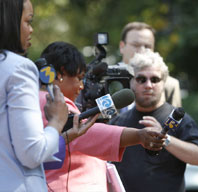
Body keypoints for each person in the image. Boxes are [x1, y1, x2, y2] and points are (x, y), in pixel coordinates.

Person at [39, 41, 166, 192]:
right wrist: (138, 135)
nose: (81, 87)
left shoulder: (38, 99)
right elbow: (83, 133)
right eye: (79, 78)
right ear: (60, 73)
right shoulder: (50, 101)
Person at [0, 0, 69, 191]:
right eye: (28, 21)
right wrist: (56, 122)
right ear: (8, 22)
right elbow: (32, 153)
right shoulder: (18, 68)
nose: (31, 30)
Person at [110, 49, 198, 192]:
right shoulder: (117, 122)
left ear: (163, 82)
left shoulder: (179, 118)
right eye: (141, 79)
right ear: (131, 82)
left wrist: (166, 139)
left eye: (155, 79)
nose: (148, 85)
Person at [119, 21, 182, 108]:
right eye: (136, 45)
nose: (142, 50)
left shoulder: (170, 84)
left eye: (147, 46)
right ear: (122, 47)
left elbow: (175, 119)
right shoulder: (104, 81)